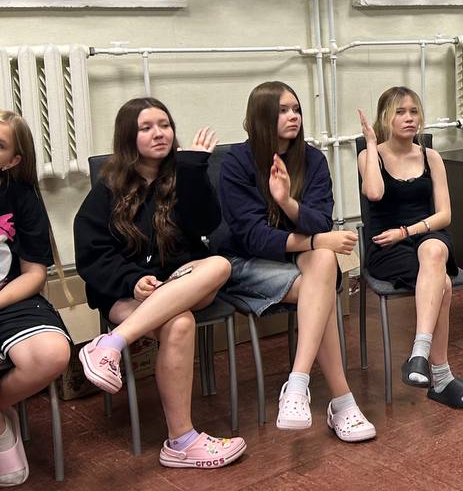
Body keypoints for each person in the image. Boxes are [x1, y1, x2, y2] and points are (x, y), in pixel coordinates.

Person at [73, 99, 246, 468]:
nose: (159, 133)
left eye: (164, 125)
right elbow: (92, 254)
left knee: (218, 265)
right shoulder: (108, 188)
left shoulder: (183, 174)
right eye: (146, 127)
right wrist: (133, 280)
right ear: (128, 136)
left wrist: (194, 169)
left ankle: (111, 343)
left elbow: (206, 225)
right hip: (127, 292)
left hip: (180, 280)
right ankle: (181, 442)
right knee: (179, 323)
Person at [218, 81, 374, 442]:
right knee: (321, 282)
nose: (293, 117)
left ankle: (298, 382)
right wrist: (317, 240)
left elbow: (320, 219)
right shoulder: (237, 163)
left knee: (322, 264)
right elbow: (252, 237)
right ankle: (343, 402)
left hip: (297, 260)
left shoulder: (313, 160)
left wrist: (287, 203)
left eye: (297, 109)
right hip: (245, 263)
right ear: (261, 116)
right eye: (283, 110)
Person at [358, 87, 463, 407]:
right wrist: (370, 143)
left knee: (434, 251)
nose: (409, 118)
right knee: (444, 284)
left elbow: (444, 215)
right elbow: (373, 193)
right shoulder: (370, 156)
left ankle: (419, 353)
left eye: (413, 111)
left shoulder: (431, 157)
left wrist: (406, 231)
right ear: (386, 117)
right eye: (400, 112)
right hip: (386, 246)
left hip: (426, 234)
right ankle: (441, 378)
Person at [0, 111, 71, 484]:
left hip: (11, 295)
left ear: (13, 160)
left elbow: (34, 274)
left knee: (53, 353)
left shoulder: (21, 196)